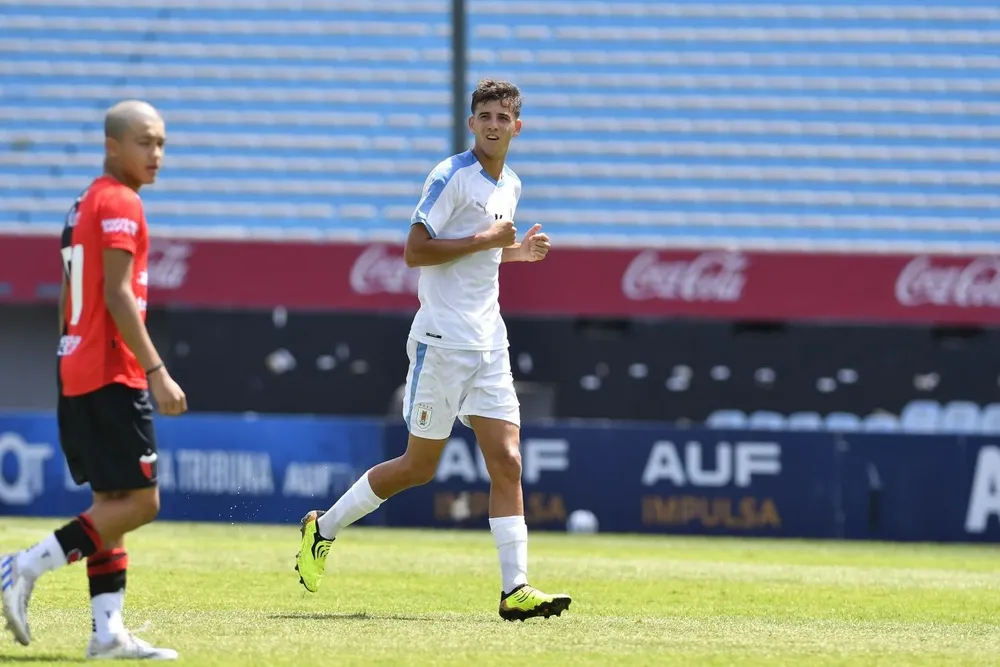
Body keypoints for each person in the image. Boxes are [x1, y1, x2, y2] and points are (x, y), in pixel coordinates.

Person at [295, 79, 571, 621]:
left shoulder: (509, 183)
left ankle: (515, 588)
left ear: (518, 126)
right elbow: (415, 251)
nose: (493, 124)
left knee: (508, 462)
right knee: (419, 467)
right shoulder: (450, 176)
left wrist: (516, 254)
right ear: (472, 124)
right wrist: (489, 243)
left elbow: (481, 259)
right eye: (485, 115)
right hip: (442, 342)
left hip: (489, 341)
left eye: (502, 117)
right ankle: (321, 527)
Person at [1, 100, 186, 660]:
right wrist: (156, 371)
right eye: (145, 142)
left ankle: (107, 633)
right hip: (112, 370)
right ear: (113, 145)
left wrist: (67, 354)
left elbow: (67, 293)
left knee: (113, 499)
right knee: (142, 502)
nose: (156, 154)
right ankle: (21, 565)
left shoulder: (83, 202)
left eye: (161, 144)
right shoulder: (121, 202)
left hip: (77, 365)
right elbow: (117, 294)